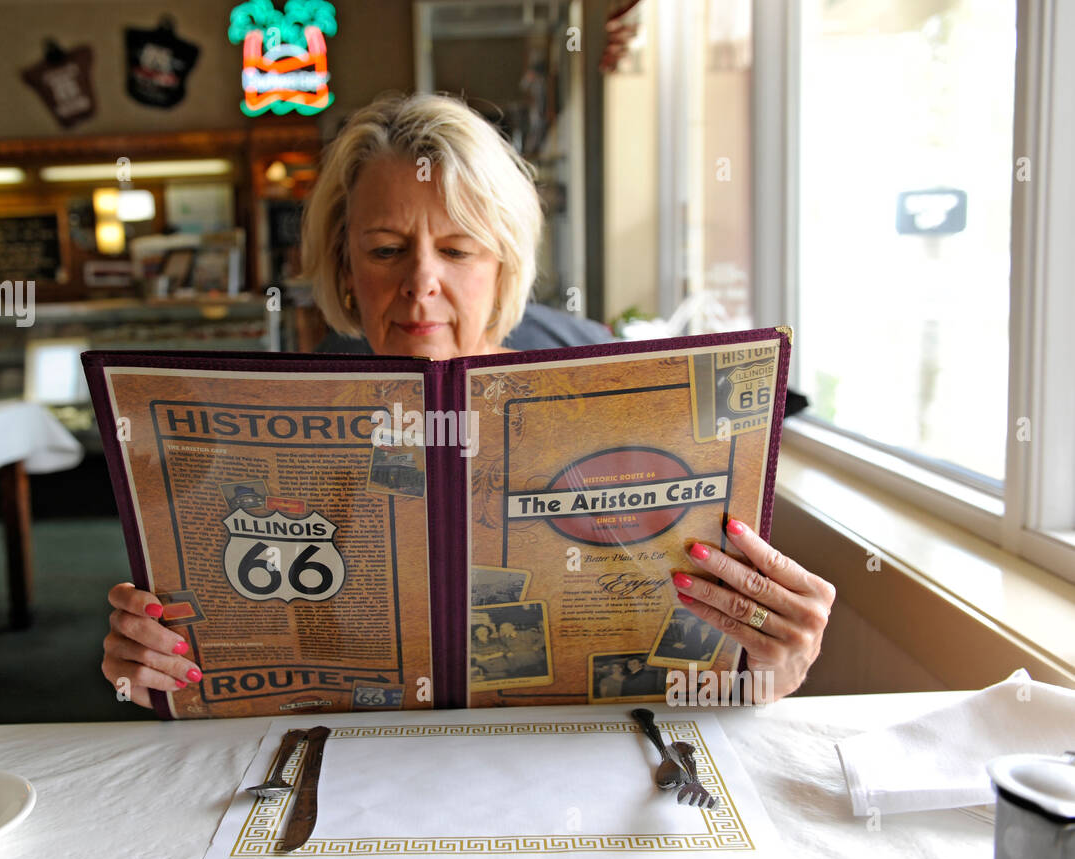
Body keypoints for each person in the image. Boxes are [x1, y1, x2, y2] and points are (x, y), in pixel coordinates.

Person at [101, 91, 835, 709]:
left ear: (504, 263)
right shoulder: (275, 428)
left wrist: (765, 670)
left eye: (457, 250)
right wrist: (154, 662)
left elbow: (706, 672)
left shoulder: (608, 416)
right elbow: (205, 664)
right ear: (345, 269)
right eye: (386, 249)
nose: (421, 282)